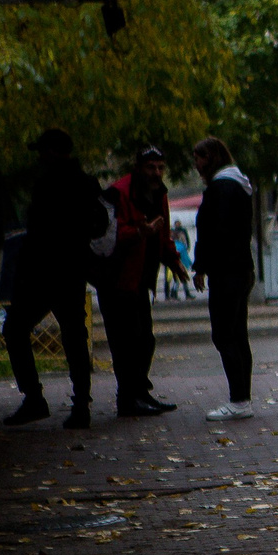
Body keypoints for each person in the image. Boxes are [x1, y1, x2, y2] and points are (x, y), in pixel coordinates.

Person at [0, 128, 104, 429]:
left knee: (15, 329)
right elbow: (99, 225)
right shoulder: (87, 183)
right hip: (72, 271)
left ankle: (34, 398)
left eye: (43, 152)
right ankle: (81, 405)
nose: (40, 158)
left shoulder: (47, 185)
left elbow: (37, 234)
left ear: (52, 152)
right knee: (74, 336)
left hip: (42, 273)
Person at [96, 144, 187, 417]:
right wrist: (139, 232)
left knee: (144, 340)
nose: (156, 173)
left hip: (140, 280)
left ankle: (139, 392)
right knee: (125, 342)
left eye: (160, 167)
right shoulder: (118, 192)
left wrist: (173, 260)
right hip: (116, 279)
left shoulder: (159, 192)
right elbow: (106, 236)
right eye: (151, 167)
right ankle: (127, 399)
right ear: (138, 168)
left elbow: (163, 232)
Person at [191, 137, 258, 420]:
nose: (197, 165)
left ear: (211, 158)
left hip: (226, 271)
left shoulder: (220, 189)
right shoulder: (239, 185)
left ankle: (239, 399)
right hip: (241, 268)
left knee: (225, 334)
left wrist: (201, 266)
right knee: (238, 334)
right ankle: (243, 398)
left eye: (199, 158)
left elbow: (212, 231)